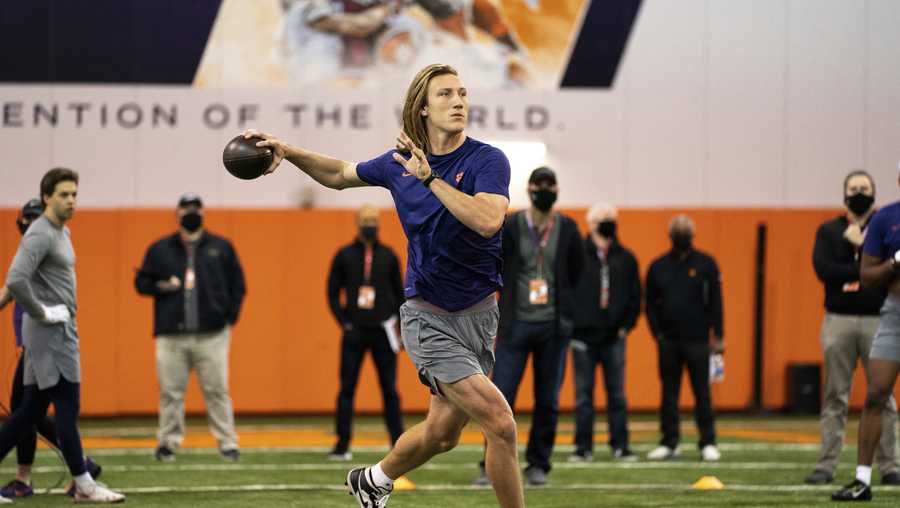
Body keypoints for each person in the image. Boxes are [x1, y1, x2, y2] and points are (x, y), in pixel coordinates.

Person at [246, 63, 524, 508]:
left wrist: (429, 178)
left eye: (463, 93)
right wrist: (288, 150)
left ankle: (373, 478)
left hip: (480, 315)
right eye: (446, 95)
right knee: (501, 424)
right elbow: (339, 174)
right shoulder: (398, 166)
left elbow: (489, 221)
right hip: (428, 318)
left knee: (442, 435)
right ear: (423, 109)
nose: (458, 102)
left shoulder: (487, 160)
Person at [0, 168, 124, 503]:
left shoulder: (60, 231)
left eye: (74, 194)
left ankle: (83, 483)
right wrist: (42, 312)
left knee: (28, 413)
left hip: (55, 331)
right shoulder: (41, 233)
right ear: (47, 198)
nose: (71, 200)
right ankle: (84, 484)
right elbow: (16, 279)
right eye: (64, 195)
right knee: (68, 406)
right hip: (51, 333)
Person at [472, 166, 583, 487]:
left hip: (553, 328)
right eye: (539, 184)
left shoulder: (569, 229)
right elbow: (495, 264)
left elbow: (576, 273)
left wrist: (566, 316)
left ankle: (538, 464)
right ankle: (490, 464)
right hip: (514, 326)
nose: (544, 189)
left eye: (550, 184)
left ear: (557, 189)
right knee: (500, 398)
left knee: (547, 400)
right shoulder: (512, 225)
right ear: (530, 188)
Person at [135, 194, 246, 462]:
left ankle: (227, 442)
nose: (191, 212)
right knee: (171, 392)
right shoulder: (160, 248)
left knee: (217, 389)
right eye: (186, 208)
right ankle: (168, 442)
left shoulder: (221, 247)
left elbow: (238, 286)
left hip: (213, 333)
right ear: (177, 213)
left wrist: (228, 318)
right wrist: (160, 286)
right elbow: (141, 283)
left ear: (203, 213)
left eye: (196, 208)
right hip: (171, 334)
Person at [806, 171, 899, 486]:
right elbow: (824, 269)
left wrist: (863, 259)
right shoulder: (829, 230)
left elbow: (879, 274)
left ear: (875, 191)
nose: (859, 192)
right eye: (853, 188)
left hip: (878, 317)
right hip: (839, 319)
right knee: (835, 394)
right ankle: (827, 465)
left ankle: (890, 466)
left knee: (882, 396)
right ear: (844, 193)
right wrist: (858, 262)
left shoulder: (883, 224)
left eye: (864, 188)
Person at [832, 167, 900, 502]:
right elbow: (868, 274)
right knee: (876, 394)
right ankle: (862, 480)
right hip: (894, 313)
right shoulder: (887, 219)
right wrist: (895, 264)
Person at [327, 204, 405, 460]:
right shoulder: (344, 255)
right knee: (346, 389)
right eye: (365, 220)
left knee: (390, 390)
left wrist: (398, 327)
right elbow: (331, 291)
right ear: (357, 222)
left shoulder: (389, 255)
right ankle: (342, 444)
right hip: (355, 332)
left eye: (373, 219)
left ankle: (398, 443)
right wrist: (344, 322)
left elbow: (401, 294)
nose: (370, 223)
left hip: (383, 332)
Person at [645, 214, 723, 462]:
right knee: (669, 394)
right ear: (670, 235)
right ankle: (670, 442)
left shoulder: (706, 264)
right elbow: (649, 304)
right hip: (668, 341)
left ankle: (707, 442)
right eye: (678, 229)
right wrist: (657, 333)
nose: (682, 233)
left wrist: (718, 335)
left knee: (702, 393)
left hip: (699, 341)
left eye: (685, 229)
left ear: (693, 234)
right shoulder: (658, 266)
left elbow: (716, 302)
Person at [569, 202, 640, 462]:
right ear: (591, 223)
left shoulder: (626, 257)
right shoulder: (578, 254)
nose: (609, 221)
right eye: (604, 218)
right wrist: (573, 328)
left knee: (617, 396)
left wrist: (625, 326)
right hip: (583, 338)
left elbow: (635, 296)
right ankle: (583, 447)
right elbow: (567, 290)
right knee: (584, 397)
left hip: (613, 338)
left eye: (612, 217)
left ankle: (620, 445)